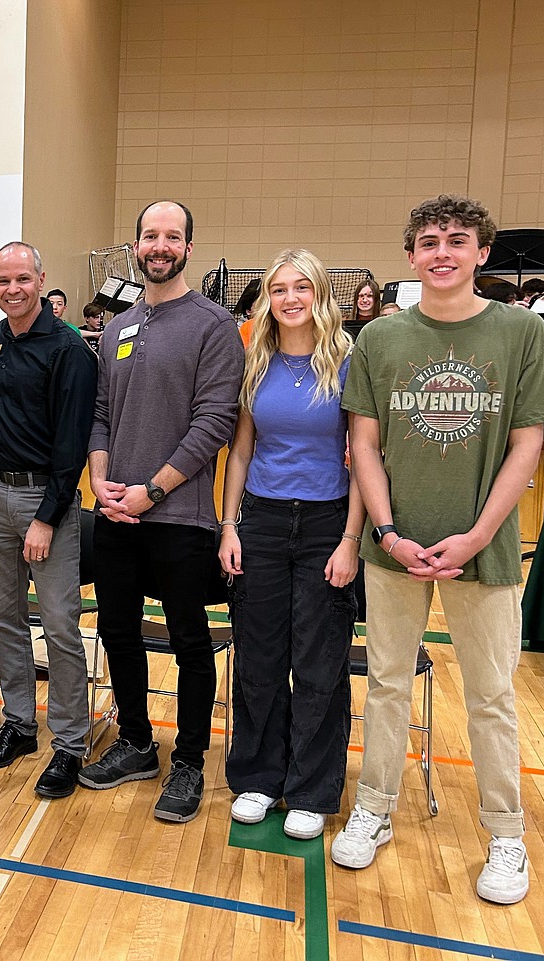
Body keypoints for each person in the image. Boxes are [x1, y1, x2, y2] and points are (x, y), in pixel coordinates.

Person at [332, 195, 544, 905]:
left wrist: (478, 533)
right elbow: (363, 444)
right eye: (429, 241)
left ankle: (505, 833)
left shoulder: (523, 331)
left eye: (457, 240)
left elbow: (529, 443)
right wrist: (389, 530)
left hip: (483, 551)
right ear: (410, 256)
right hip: (393, 546)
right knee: (387, 685)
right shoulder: (379, 339)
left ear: (481, 252)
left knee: (493, 696)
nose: (442, 252)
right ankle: (374, 808)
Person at [77, 201, 243, 822]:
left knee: (190, 643)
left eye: (172, 237)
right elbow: (101, 414)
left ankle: (191, 761)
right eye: (151, 235)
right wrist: (100, 476)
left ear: (189, 248)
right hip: (117, 511)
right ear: (137, 244)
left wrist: (153, 489)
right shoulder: (118, 327)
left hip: (180, 517)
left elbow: (214, 423)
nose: (160, 245)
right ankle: (138, 743)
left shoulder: (214, 326)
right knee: (117, 631)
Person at [218, 249, 363, 840]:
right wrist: (229, 524)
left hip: (328, 522)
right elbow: (243, 450)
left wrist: (352, 538)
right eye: (279, 289)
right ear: (267, 300)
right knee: (258, 656)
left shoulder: (348, 362)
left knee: (319, 660)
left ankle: (310, 788)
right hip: (263, 521)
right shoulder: (258, 360)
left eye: (302, 287)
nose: (290, 299)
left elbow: (363, 459)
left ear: (320, 293)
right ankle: (258, 777)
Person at [0, 242, 97, 799]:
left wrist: (47, 517)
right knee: (3, 620)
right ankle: (21, 724)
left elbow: (73, 443)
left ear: (42, 280)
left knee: (61, 627)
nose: (12, 289)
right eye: (3, 281)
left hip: (46, 505)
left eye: (22, 278)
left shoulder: (70, 350)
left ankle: (70, 742)